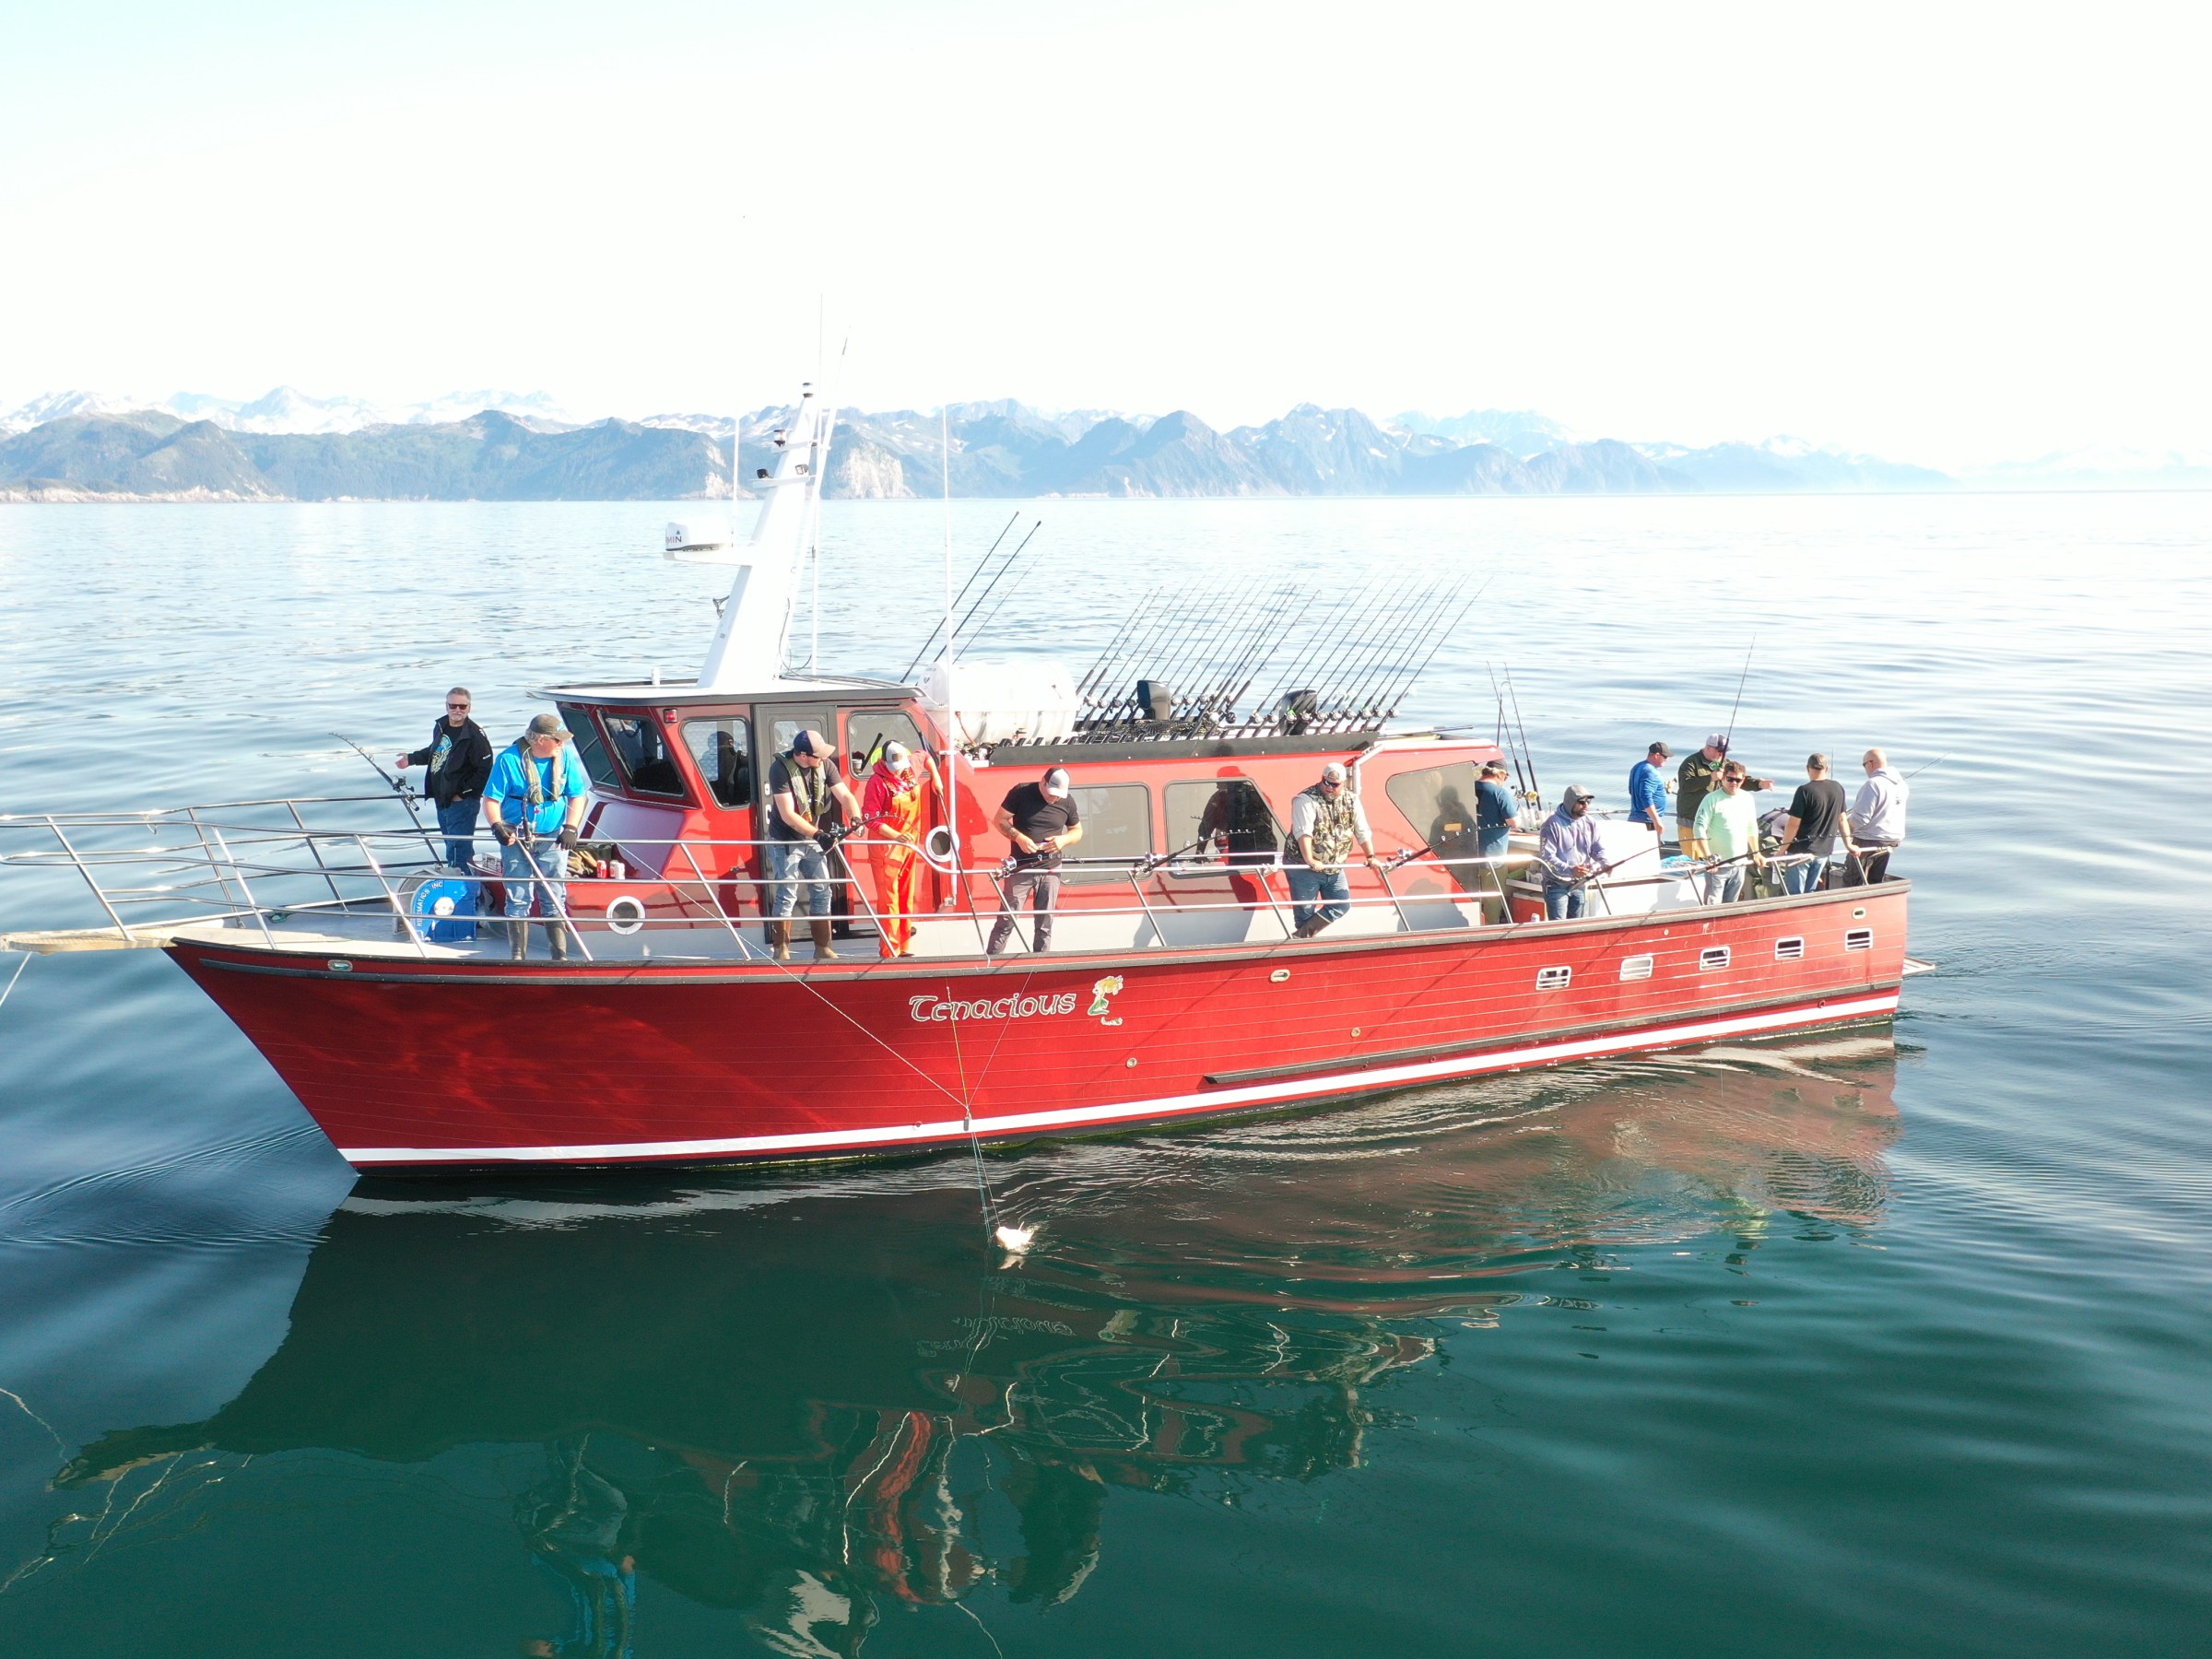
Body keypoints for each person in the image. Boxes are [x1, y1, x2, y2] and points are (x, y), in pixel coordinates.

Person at [482, 712, 589, 960]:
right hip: (516, 838)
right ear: (540, 740)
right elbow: (491, 799)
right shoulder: (508, 760)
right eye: (557, 739)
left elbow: (578, 795)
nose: (562, 744)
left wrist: (571, 828)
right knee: (518, 897)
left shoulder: (565, 758)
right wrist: (497, 826)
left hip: (552, 838)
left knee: (554, 897)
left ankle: (559, 956)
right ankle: (517, 957)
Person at [766, 729, 862, 962]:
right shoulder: (779, 769)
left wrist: (856, 817)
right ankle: (781, 949)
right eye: (817, 756)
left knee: (822, 891)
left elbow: (846, 795)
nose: (822, 759)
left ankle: (823, 947)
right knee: (787, 893)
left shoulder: (825, 765)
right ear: (801, 755)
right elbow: (788, 815)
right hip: (784, 841)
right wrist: (819, 834)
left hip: (812, 840)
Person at [396, 687, 494, 869]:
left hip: (461, 804)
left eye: (462, 706)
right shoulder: (442, 726)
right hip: (442, 800)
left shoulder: (475, 736)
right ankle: (459, 883)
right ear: (446, 706)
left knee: (459, 851)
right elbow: (436, 752)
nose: (457, 710)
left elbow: (485, 770)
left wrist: (463, 794)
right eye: (453, 705)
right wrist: (411, 758)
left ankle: (466, 892)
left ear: (469, 708)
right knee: (450, 845)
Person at [988, 767, 1083, 955]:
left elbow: (1077, 831)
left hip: (1051, 869)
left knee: (1045, 923)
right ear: (1043, 782)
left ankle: (1040, 963)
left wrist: (1062, 840)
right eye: (1051, 794)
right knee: (1007, 919)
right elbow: (999, 820)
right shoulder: (1021, 792)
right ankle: (991, 961)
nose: (1053, 798)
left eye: (1057, 796)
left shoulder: (1067, 801)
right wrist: (1019, 838)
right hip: (1021, 867)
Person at [861, 741, 938, 960]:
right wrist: (896, 836)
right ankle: (889, 951)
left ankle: (905, 945)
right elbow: (870, 818)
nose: (902, 770)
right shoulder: (877, 783)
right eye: (896, 767)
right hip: (886, 848)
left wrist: (936, 778)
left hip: (909, 845)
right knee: (889, 900)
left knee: (906, 895)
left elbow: (925, 755)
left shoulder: (910, 766)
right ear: (884, 762)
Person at [1285, 761, 1380, 939]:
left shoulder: (1352, 800)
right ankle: (1302, 945)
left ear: (1343, 784)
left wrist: (1371, 856)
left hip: (1335, 866)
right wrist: (1310, 860)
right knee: (1304, 914)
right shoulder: (1306, 799)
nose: (1328, 787)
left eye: (1334, 785)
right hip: (1302, 866)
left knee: (1341, 904)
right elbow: (1303, 832)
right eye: (1325, 782)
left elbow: (1362, 830)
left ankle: (1298, 940)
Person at [1677, 735, 1772, 857]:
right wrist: (1710, 778)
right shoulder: (1691, 762)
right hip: (1691, 818)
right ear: (1708, 748)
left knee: (1713, 854)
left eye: (1725, 751)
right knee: (1693, 857)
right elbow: (1685, 785)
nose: (1722, 754)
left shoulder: (1724, 763)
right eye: (1719, 751)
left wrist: (1759, 784)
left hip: (1716, 822)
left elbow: (1737, 779)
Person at [1779, 752, 1854, 894]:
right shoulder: (1838, 788)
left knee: (1795, 896)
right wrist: (1848, 844)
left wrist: (1782, 851)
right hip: (1824, 852)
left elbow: (1793, 824)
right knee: (1811, 894)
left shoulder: (1804, 791)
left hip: (1800, 853)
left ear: (1807, 769)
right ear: (1827, 769)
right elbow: (1842, 819)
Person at [1691, 761, 1762, 903]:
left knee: (1731, 906)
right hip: (1717, 865)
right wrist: (1708, 857)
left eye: (1738, 780)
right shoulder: (1711, 799)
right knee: (1713, 906)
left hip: (1740, 864)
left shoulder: (1747, 798)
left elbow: (1751, 827)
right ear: (1723, 778)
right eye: (1730, 779)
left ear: (1743, 780)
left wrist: (1756, 853)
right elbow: (1699, 828)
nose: (1734, 783)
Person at [1537, 783, 1607, 920]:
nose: (1586, 805)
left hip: (1579, 883)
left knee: (1576, 926)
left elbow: (1596, 847)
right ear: (1570, 803)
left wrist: (1605, 862)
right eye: (1581, 802)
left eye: (1588, 801)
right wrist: (1570, 869)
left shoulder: (1590, 822)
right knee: (1558, 928)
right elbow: (1546, 857)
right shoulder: (1551, 825)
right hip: (1556, 884)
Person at [1847, 747, 1910, 884]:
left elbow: (1859, 820)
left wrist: (1844, 825)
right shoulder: (1902, 784)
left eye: (1864, 765)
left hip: (1869, 840)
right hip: (1891, 840)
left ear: (1870, 764)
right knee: (1875, 880)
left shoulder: (1873, 784)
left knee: (1853, 879)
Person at [1629, 741, 1673, 841]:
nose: (1667, 760)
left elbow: (1632, 791)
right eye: (1665, 757)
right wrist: (1657, 821)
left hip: (1635, 819)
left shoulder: (1638, 766)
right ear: (1657, 755)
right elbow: (1645, 797)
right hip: (1647, 823)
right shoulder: (1650, 771)